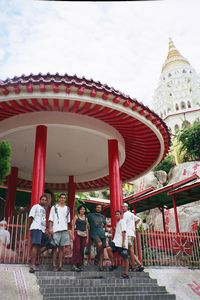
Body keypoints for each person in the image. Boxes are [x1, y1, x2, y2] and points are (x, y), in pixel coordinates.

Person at [28, 194, 53, 273]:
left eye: (45, 200)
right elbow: (31, 217)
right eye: (43, 199)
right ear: (40, 200)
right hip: (36, 228)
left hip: (42, 230)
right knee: (36, 244)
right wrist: (29, 228)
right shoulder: (35, 207)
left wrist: (45, 229)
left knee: (50, 244)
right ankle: (32, 265)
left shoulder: (44, 209)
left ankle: (33, 257)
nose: (44, 201)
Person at [49, 193, 70, 272]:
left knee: (61, 249)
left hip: (64, 230)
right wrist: (51, 228)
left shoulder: (67, 209)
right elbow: (51, 219)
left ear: (65, 199)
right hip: (56, 229)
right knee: (55, 248)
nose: (62, 199)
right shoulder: (54, 207)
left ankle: (60, 266)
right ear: (59, 199)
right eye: (61, 198)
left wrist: (67, 231)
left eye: (64, 198)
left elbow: (67, 221)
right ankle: (54, 265)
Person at [107, 210, 129, 279]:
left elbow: (124, 232)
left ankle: (126, 273)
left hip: (121, 243)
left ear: (121, 215)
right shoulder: (118, 222)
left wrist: (123, 243)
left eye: (118, 214)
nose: (116, 215)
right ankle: (113, 264)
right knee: (108, 249)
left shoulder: (122, 222)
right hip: (116, 241)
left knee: (125, 257)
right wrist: (114, 229)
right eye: (116, 214)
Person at [122, 203, 144, 272]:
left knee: (130, 251)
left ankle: (136, 266)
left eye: (124, 207)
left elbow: (123, 225)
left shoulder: (125, 214)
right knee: (130, 251)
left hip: (128, 234)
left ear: (126, 207)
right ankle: (138, 265)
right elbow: (138, 219)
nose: (123, 208)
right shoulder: (131, 214)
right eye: (122, 207)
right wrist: (134, 226)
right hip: (132, 234)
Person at [87, 204, 106, 271]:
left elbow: (104, 225)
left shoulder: (103, 217)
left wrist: (107, 231)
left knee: (102, 250)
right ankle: (96, 258)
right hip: (94, 233)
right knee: (99, 244)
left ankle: (100, 266)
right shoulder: (90, 215)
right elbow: (85, 221)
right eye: (97, 207)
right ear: (95, 208)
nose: (99, 208)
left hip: (102, 234)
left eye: (100, 207)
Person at [71, 204, 88, 272]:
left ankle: (80, 264)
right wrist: (72, 234)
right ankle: (74, 264)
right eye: (81, 209)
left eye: (83, 209)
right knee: (77, 248)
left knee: (82, 249)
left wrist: (87, 237)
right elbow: (73, 226)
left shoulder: (86, 218)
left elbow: (87, 228)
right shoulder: (76, 216)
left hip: (84, 235)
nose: (82, 210)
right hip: (77, 233)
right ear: (79, 210)